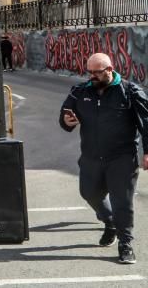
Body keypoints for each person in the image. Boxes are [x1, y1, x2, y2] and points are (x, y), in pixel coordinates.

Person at [59, 52, 148, 264]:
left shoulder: (130, 92)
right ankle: (109, 222)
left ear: (109, 70)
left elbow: (146, 123)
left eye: (96, 73)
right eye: (89, 72)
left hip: (122, 158)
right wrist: (67, 122)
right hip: (90, 157)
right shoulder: (80, 91)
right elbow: (64, 116)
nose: (92, 77)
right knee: (89, 193)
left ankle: (125, 244)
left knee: (122, 202)